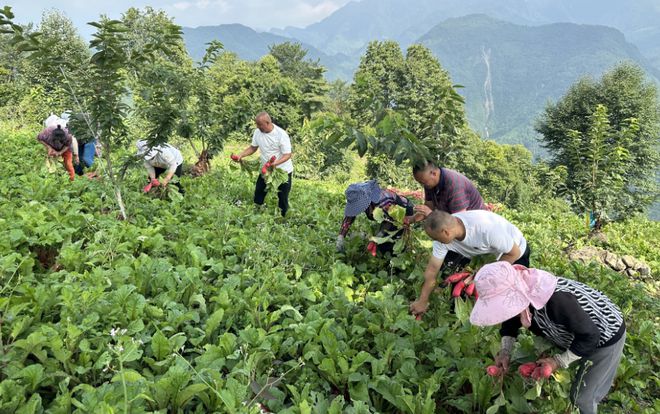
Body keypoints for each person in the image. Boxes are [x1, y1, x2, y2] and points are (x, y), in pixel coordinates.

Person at [470, 262, 626, 414]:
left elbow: (590, 336)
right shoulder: (523, 293)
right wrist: (504, 351)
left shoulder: (557, 301)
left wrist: (558, 361)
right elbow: (510, 321)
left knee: (582, 397)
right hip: (576, 330)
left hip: (605, 337)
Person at [410, 210, 530, 316]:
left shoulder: (485, 229)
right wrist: (422, 300)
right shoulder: (444, 233)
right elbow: (432, 269)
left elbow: (514, 253)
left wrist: (488, 273)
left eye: (436, 238)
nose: (435, 242)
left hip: (515, 252)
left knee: (509, 295)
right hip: (486, 254)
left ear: (445, 232)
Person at [232, 112, 293, 217]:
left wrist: (275, 164)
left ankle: (283, 218)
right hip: (266, 169)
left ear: (268, 122)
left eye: (260, 124)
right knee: (259, 191)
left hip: (283, 171)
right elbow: (253, 148)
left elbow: (287, 155)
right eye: (257, 124)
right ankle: (256, 212)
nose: (258, 127)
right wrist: (241, 155)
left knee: (282, 197)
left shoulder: (281, 135)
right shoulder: (257, 132)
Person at [336, 180, 415, 255]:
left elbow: (388, 222)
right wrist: (341, 236)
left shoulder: (383, 201)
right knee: (381, 243)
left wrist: (377, 238)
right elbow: (349, 217)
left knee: (391, 244)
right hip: (386, 216)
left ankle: (397, 262)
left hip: (403, 211)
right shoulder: (361, 198)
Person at [412, 161, 485, 217]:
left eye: (423, 182)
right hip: (454, 220)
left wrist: (430, 214)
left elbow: (460, 220)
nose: (422, 185)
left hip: (475, 223)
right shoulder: (429, 183)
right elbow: (429, 206)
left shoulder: (455, 186)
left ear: (433, 173)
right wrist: (412, 219)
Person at [37, 117, 76, 181]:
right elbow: (39, 138)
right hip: (51, 146)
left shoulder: (68, 135)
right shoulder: (47, 131)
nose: (57, 142)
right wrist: (49, 147)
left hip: (65, 148)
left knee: (68, 163)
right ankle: (53, 179)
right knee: (51, 162)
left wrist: (60, 152)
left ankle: (72, 180)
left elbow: (67, 145)